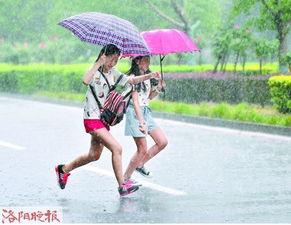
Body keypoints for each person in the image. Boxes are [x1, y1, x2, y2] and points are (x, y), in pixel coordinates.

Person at [55, 44, 161, 197]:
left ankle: (63, 170)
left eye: (116, 60)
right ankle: (122, 185)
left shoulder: (113, 73)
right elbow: (85, 80)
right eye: (111, 60)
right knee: (117, 148)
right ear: (104, 57)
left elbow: (130, 81)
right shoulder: (95, 71)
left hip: (102, 120)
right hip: (91, 119)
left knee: (94, 155)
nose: (113, 63)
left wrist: (149, 76)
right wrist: (98, 62)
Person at [123, 55, 168, 182]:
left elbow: (148, 97)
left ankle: (140, 164)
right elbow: (136, 102)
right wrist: (141, 121)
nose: (148, 62)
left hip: (145, 111)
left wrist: (158, 88)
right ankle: (125, 179)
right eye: (146, 60)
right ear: (137, 61)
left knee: (162, 142)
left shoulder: (147, 76)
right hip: (135, 113)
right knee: (142, 149)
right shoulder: (133, 77)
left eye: (149, 59)